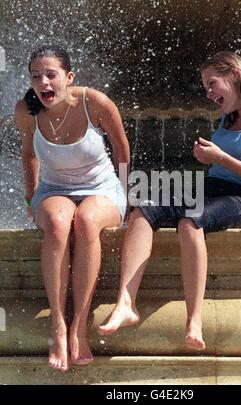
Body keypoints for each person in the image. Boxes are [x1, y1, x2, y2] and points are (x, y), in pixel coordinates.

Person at [98, 51, 241, 350]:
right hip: (212, 186)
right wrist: (207, 158)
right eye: (205, 87)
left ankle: (194, 320)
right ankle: (125, 303)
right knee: (143, 209)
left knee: (190, 221)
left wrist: (220, 156)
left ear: (234, 75)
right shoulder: (229, 116)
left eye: (212, 84)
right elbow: (220, 165)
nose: (208, 93)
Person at [15, 45, 130, 371]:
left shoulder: (94, 102)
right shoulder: (27, 110)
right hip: (54, 189)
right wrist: (30, 196)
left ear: (68, 77)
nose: (43, 82)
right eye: (36, 76)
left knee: (87, 219)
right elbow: (29, 154)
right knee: (56, 220)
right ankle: (58, 324)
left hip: (102, 188)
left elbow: (122, 148)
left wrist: (125, 192)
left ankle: (79, 324)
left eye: (50, 74)